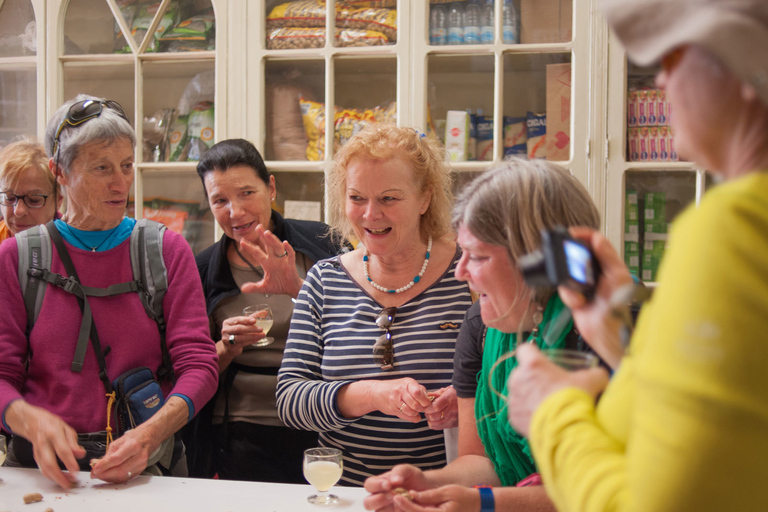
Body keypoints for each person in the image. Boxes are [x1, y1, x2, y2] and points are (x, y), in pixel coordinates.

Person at [505, 1, 768, 511]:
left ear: (747, 67)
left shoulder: (732, 227)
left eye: (673, 60)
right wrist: (619, 337)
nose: (661, 85)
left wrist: (551, 410)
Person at [0, 95, 218, 489]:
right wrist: (26, 418)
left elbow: (199, 366)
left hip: (148, 468)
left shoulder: (166, 250)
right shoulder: (16, 258)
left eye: (126, 165)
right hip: (40, 475)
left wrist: (149, 434)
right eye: (101, 168)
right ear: (59, 173)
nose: (120, 182)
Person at [364, 159, 606, 511]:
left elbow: (616, 487)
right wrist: (428, 482)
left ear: (536, 259)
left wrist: (485, 503)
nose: (461, 273)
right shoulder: (480, 324)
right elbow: (482, 462)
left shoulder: (610, 329)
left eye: (477, 256)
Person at [275, 125, 472, 486]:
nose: (370, 215)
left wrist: (467, 404)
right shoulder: (324, 280)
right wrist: (372, 394)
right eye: (357, 198)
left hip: (442, 497)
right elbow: (290, 399)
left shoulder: (469, 275)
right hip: (346, 495)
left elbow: (509, 388)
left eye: (389, 199)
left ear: (425, 198)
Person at [190, 138, 347, 483]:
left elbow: (357, 333)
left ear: (271, 188)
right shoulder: (201, 270)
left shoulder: (325, 245)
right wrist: (226, 346)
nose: (236, 211)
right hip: (242, 425)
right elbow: (190, 374)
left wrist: (298, 289)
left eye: (247, 193)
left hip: (320, 413)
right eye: (220, 200)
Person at [0, 139, 62, 243]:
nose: (18, 211)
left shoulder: (75, 246)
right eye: (9, 198)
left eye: (33, 200)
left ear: (58, 200)